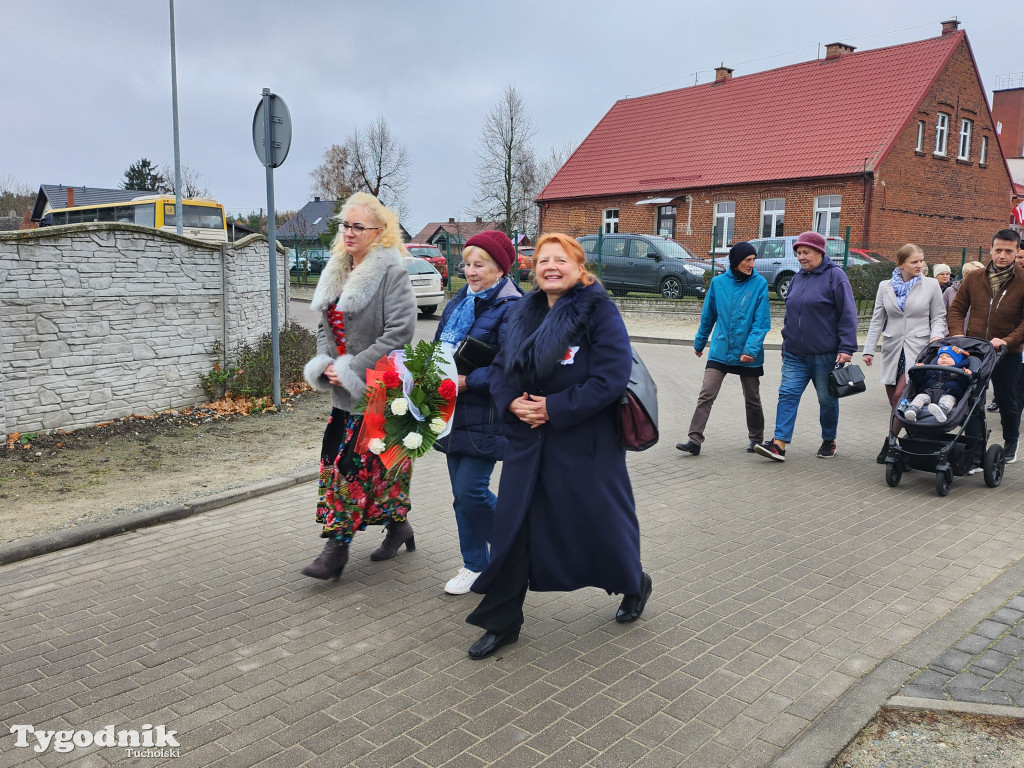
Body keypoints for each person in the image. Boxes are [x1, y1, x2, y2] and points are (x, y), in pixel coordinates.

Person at [464, 232, 651, 660]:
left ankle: (635, 582)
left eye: (560, 259)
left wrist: (554, 408)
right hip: (527, 444)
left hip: (585, 444)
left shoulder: (598, 310)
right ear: (534, 269)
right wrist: (511, 400)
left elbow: (610, 377)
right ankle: (502, 619)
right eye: (543, 259)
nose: (551, 266)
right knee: (514, 528)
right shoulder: (523, 311)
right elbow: (498, 369)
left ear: (579, 267)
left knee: (601, 525)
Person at [300, 192, 417, 580]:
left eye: (357, 226)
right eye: (344, 225)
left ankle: (336, 550)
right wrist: (328, 363)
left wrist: (353, 367)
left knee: (352, 469)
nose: (348, 233)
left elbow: (400, 332)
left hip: (376, 390)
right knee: (360, 468)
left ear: (379, 232)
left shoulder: (391, 274)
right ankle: (399, 526)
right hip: (341, 392)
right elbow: (323, 327)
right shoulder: (335, 269)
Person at [433, 231, 523, 595]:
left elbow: (512, 366)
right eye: (467, 264)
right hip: (451, 410)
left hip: (486, 413)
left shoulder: (515, 307)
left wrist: (468, 381)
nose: (470, 271)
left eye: (479, 264)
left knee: (471, 491)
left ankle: (515, 543)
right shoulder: (459, 302)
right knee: (460, 495)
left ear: (500, 268)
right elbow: (441, 345)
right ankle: (475, 565)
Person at [754, 231, 857, 462]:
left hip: (825, 353)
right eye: (798, 253)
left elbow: (848, 314)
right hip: (795, 353)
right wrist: (785, 344)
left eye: (806, 252)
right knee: (787, 394)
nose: (801, 257)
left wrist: (847, 348)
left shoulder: (835, 277)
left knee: (826, 400)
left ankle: (828, 440)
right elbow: (791, 315)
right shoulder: (798, 278)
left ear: (820, 252)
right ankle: (778, 444)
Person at [676, 241, 770, 456]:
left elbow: (761, 322)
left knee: (752, 398)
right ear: (736, 261)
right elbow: (708, 315)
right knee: (706, 393)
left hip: (748, 353)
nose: (752, 265)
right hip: (721, 348)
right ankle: (694, 440)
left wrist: (751, 350)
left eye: (753, 260)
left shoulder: (759, 284)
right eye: (748, 260)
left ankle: (756, 438)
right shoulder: (718, 283)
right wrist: (700, 342)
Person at [862, 243, 946, 462]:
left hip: (919, 349)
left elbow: (939, 316)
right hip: (892, 349)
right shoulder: (885, 286)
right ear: (901, 264)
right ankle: (912, 439)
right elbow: (877, 319)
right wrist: (869, 349)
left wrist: (936, 337)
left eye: (921, 260)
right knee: (895, 402)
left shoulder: (930, 285)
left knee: (901, 396)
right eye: (914, 262)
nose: (920, 265)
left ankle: (889, 442)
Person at [948, 229, 1024, 463]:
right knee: (972, 398)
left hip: (1006, 353)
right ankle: (974, 445)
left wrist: (1007, 341)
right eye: (998, 250)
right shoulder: (974, 278)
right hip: (975, 351)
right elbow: (957, 309)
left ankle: (1011, 439)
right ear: (990, 249)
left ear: (1017, 252)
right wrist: (959, 336)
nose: (1002, 255)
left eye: (1008, 251)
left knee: (1006, 400)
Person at [899, 345, 972, 423]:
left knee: (948, 399)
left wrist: (966, 375)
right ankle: (912, 410)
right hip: (928, 393)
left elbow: (964, 385)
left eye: (948, 356)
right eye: (941, 356)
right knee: (920, 397)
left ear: (957, 361)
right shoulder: (931, 370)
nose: (944, 358)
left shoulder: (959, 372)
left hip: (948, 393)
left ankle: (942, 411)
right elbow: (920, 380)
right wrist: (919, 371)